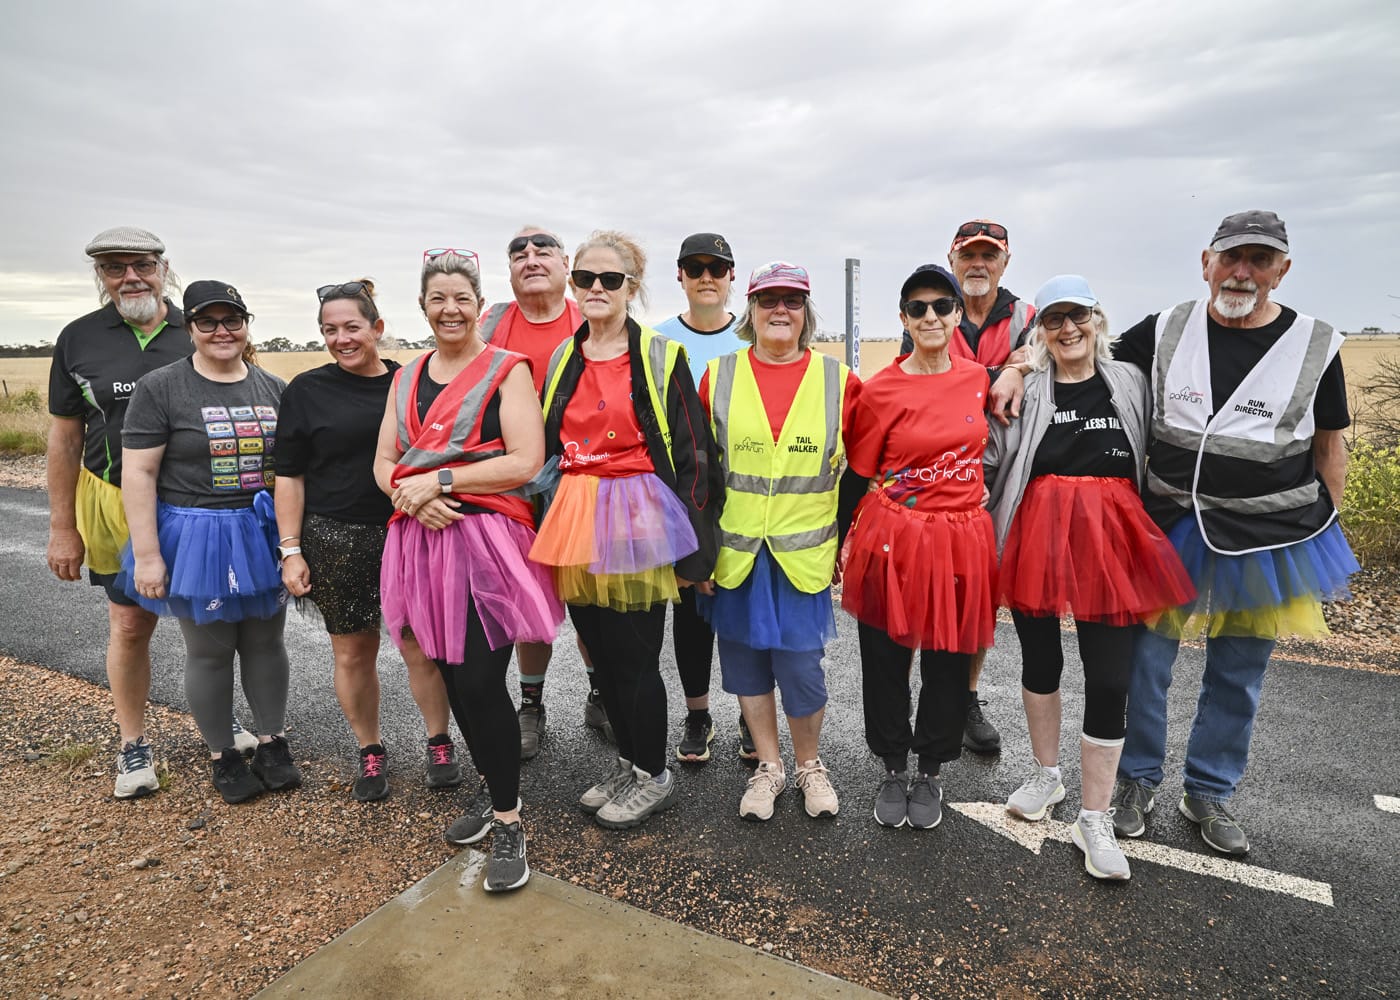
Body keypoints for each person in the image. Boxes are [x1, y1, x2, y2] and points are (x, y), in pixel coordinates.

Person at [1098, 211, 1357, 856]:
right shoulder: (1165, 327)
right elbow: (1086, 360)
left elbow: (1330, 444)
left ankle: (1208, 790)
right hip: (1170, 528)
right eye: (1232, 257)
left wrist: (1325, 526)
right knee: (1146, 663)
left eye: (1260, 260)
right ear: (1207, 260)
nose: (1243, 272)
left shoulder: (1316, 344)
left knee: (1238, 672)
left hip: (1267, 541)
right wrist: (1020, 367)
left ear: (1282, 271)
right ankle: (1136, 781)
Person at [985, 275, 1195, 880]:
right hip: (1037, 537)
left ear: (1097, 319)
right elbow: (995, 450)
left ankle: (1094, 815)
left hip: (1113, 539)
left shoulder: (1129, 380)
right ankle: (1047, 775)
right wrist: (1013, 370)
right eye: (1055, 320)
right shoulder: (1028, 382)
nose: (1068, 329)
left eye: (1077, 316)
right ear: (1041, 330)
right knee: (1041, 661)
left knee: (1109, 677)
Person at [374, 249, 562, 892]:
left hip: (486, 543)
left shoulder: (508, 370)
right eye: (437, 299)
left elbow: (524, 459)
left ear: (479, 304)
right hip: (421, 542)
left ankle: (510, 820)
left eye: (460, 298)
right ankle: (492, 788)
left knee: (481, 680)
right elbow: (385, 460)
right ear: (423, 307)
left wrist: (437, 482)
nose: (449, 309)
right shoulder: (406, 378)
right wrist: (410, 497)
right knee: (451, 678)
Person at [46, 227, 257, 799]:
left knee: (212, 622)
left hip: (195, 505)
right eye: (114, 269)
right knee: (131, 623)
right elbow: (64, 439)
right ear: (101, 276)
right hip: (114, 499)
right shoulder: (79, 339)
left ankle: (219, 722)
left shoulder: (194, 329)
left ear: (163, 267)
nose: (129, 277)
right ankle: (133, 743)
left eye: (140, 264)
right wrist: (62, 525)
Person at [530, 230, 718, 830]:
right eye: (585, 278)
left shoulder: (662, 355)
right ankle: (629, 762)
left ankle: (654, 775)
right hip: (576, 513)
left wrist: (697, 546)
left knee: (635, 656)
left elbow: (694, 453)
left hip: (638, 514)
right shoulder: (563, 357)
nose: (595, 289)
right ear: (572, 284)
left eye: (610, 280)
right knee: (600, 655)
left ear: (631, 288)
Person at [274, 279, 464, 802]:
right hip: (334, 538)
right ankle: (370, 749)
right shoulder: (306, 391)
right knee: (354, 652)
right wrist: (290, 550)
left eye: (352, 327)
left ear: (377, 328)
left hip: (406, 532)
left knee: (421, 647)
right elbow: (289, 477)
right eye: (329, 330)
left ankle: (439, 742)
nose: (342, 339)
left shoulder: (409, 384)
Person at [116, 281, 301, 805]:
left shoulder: (274, 387)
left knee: (266, 642)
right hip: (196, 534)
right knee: (211, 649)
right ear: (190, 328)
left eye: (232, 320)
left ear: (247, 324)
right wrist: (148, 555)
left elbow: (289, 473)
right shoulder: (162, 387)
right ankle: (223, 754)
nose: (222, 331)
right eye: (208, 322)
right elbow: (139, 475)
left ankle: (272, 741)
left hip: (259, 532)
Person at [697, 261, 859, 820]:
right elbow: (701, 475)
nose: (780, 311)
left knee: (800, 669)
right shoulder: (718, 376)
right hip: (736, 554)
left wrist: (846, 539)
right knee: (745, 668)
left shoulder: (839, 380)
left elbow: (860, 469)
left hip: (801, 556)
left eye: (792, 301)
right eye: (769, 301)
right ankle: (768, 766)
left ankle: (810, 764)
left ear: (806, 313)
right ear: (752, 310)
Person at [840, 264, 997, 831]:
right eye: (918, 307)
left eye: (941, 305)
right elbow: (858, 474)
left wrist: (1022, 369)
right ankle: (891, 763)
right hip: (895, 536)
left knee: (950, 658)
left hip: (960, 538)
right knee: (885, 656)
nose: (930, 316)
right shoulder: (880, 389)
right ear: (903, 318)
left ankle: (931, 767)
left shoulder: (980, 378)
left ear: (958, 313)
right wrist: (838, 544)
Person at [900, 219, 1035, 756]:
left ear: (1005, 261)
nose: (978, 264)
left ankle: (965, 697)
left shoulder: (1025, 316)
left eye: (989, 255)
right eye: (968, 255)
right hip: (938, 473)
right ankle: (921, 696)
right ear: (953, 260)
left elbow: (1061, 348)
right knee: (919, 588)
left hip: (1004, 469)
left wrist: (1020, 368)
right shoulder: (935, 312)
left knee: (978, 593)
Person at [476, 225, 591, 760]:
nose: (531, 257)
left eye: (543, 249)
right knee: (528, 596)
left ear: (566, 264)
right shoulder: (491, 323)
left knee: (590, 595)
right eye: (518, 252)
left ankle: (601, 694)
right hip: (511, 483)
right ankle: (531, 704)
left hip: (582, 480)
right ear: (509, 272)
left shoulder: (590, 318)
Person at [653, 232, 745, 764]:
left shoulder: (753, 339)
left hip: (744, 499)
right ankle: (698, 714)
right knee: (690, 611)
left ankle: (750, 716)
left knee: (740, 613)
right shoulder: (657, 340)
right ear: (680, 276)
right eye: (695, 267)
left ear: (732, 276)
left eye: (717, 267)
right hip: (685, 498)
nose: (706, 276)